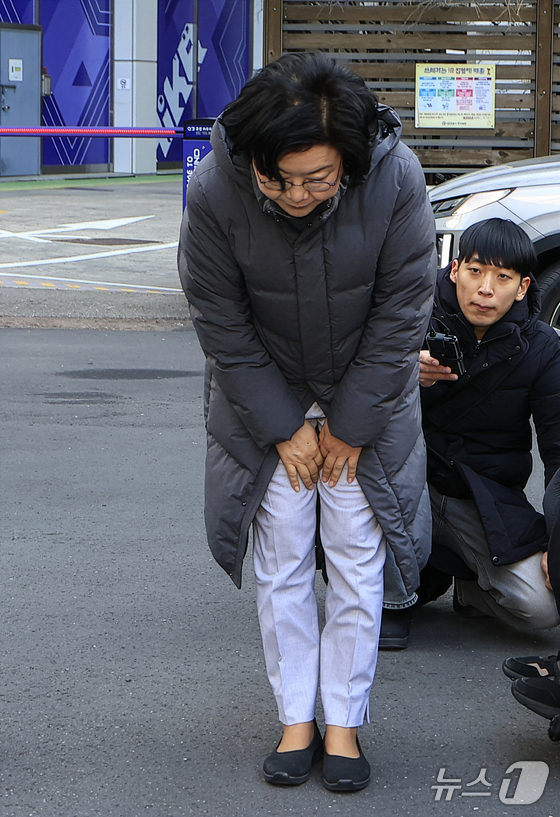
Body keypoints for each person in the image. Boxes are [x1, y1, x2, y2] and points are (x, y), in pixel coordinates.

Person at [178, 53, 436, 791]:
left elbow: (402, 312)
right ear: (253, 158)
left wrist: (349, 425)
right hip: (267, 400)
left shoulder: (396, 178)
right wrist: (283, 425)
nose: (297, 195)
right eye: (278, 179)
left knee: (356, 555)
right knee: (282, 556)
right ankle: (297, 718)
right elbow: (220, 322)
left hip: (364, 399)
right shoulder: (215, 187)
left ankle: (344, 722)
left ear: (348, 158)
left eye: (318, 179)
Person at [392, 218, 560, 648]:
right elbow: (349, 387)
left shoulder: (543, 347)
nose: (485, 289)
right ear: (454, 270)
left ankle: (472, 586)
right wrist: (404, 374)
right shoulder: (410, 311)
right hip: (406, 479)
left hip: (481, 494)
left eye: (502, 277)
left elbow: (558, 450)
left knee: (543, 608)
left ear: (522, 287)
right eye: (475, 271)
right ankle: (401, 588)